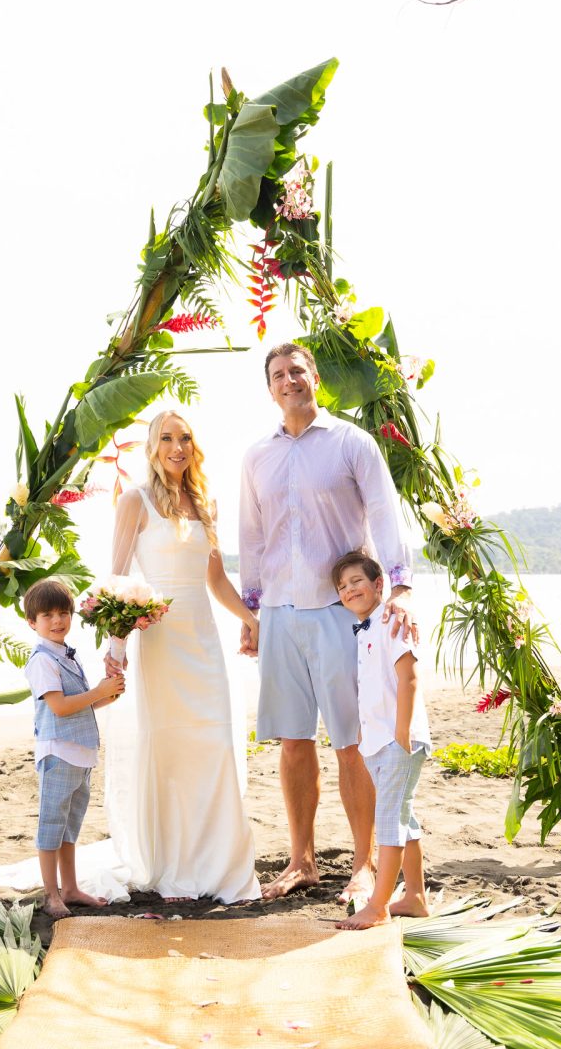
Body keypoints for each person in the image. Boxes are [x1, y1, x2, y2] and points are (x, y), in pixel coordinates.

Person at [239, 343, 418, 904]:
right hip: (280, 615)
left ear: (314, 377)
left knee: (353, 743)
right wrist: (252, 610)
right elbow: (250, 534)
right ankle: (302, 861)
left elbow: (386, 511)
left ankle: (363, 865)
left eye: (297, 371)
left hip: (341, 614)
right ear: (269, 388)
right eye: (278, 375)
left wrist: (401, 585)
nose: (289, 380)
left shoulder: (351, 443)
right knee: (293, 743)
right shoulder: (256, 456)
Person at [103, 410, 262, 903]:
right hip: (160, 640)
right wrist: (116, 644)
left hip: (203, 638)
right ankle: (171, 864)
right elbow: (119, 578)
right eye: (167, 438)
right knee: (169, 748)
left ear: (194, 445)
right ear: (153, 447)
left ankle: (215, 864)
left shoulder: (204, 502)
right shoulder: (135, 501)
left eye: (185, 438)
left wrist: (250, 618)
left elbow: (214, 580)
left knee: (213, 742)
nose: (177, 446)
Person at [332, 551, 431, 929]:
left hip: (397, 741)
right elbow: (373, 687)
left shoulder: (391, 621)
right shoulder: (364, 629)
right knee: (404, 818)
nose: (348, 590)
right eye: (342, 587)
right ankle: (415, 897)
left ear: (378, 584)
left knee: (389, 820)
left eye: (356, 581)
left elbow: (408, 677)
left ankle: (377, 906)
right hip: (375, 742)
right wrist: (363, 732)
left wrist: (401, 732)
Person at [23, 578, 125, 919]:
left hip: (80, 754)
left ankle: (70, 888)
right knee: (51, 826)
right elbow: (60, 708)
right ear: (32, 623)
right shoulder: (42, 660)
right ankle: (51, 894)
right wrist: (98, 691)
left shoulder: (67, 655)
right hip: (58, 753)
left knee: (70, 827)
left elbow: (78, 706)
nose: (57, 620)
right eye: (48, 614)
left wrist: (106, 696)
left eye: (63, 612)